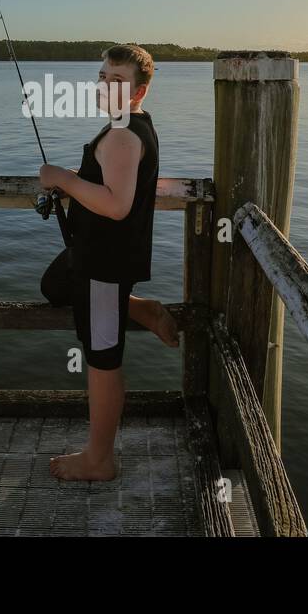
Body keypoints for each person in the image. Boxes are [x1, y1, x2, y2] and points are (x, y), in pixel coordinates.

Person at [38, 44, 178, 481]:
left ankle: (99, 459)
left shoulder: (121, 135)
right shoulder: (126, 127)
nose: (105, 87)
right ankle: (139, 307)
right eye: (102, 77)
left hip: (105, 263)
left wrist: (63, 179)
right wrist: (75, 187)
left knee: (102, 360)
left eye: (117, 81)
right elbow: (110, 187)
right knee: (54, 285)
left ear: (139, 90)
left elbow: (117, 205)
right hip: (93, 259)